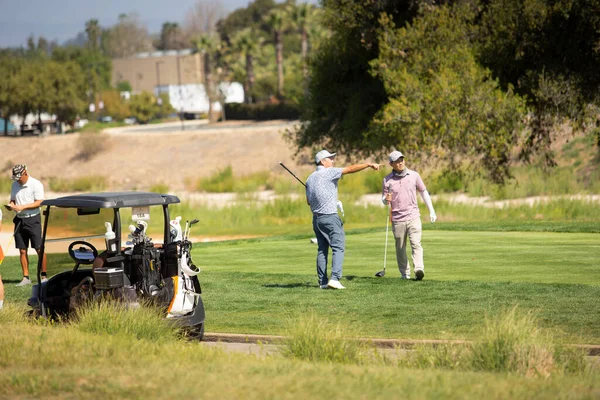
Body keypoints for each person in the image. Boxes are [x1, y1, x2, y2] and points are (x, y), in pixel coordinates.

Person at [306, 150, 380, 290]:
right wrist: (368, 164)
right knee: (338, 247)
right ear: (323, 161)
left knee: (322, 249)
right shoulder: (329, 172)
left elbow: (309, 201)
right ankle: (335, 278)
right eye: (330, 159)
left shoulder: (310, 178)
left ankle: (322, 282)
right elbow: (350, 169)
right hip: (330, 217)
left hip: (316, 220)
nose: (333, 161)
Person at [382, 151, 436, 281]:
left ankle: (418, 269)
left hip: (413, 216)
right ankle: (404, 274)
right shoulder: (387, 180)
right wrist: (386, 198)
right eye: (397, 161)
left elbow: (423, 192)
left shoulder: (414, 175)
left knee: (416, 243)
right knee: (400, 247)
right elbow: (384, 201)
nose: (400, 163)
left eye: (401, 160)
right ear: (391, 164)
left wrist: (432, 210)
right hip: (397, 219)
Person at [7, 164, 47, 286]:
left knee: (39, 248)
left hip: (33, 220)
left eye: (19, 177)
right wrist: (11, 205)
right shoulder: (15, 185)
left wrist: (22, 207)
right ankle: (26, 277)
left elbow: (40, 202)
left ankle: (44, 275)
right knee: (22, 250)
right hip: (19, 220)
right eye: (16, 178)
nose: (18, 180)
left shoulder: (36, 184)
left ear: (25, 173)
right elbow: (13, 199)